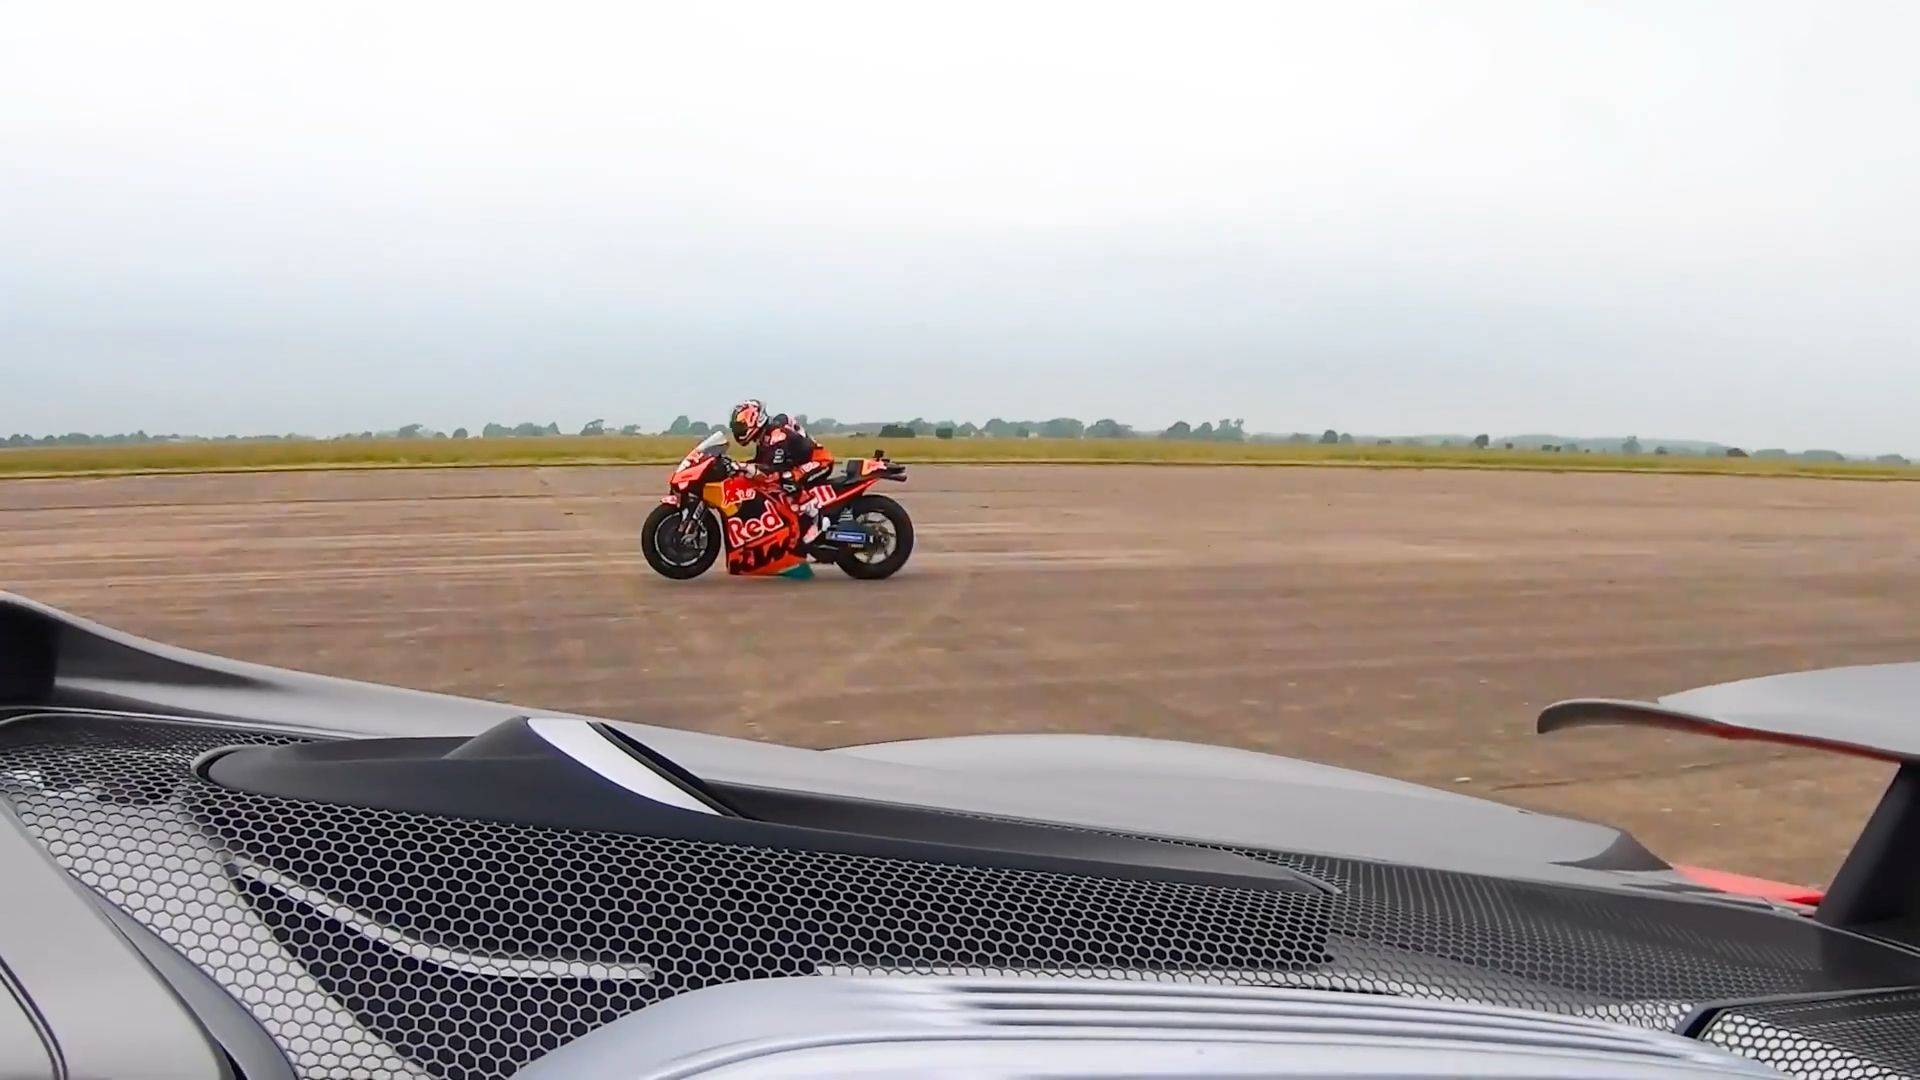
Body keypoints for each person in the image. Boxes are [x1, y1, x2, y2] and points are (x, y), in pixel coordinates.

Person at [727, 399, 831, 543]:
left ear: (755, 420)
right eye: (736, 428)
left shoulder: (776, 435)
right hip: (800, 463)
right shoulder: (764, 438)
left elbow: (772, 470)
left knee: (787, 478)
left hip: (820, 460)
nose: (739, 431)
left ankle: (817, 520)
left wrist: (742, 466)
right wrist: (736, 467)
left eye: (741, 426)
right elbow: (761, 463)